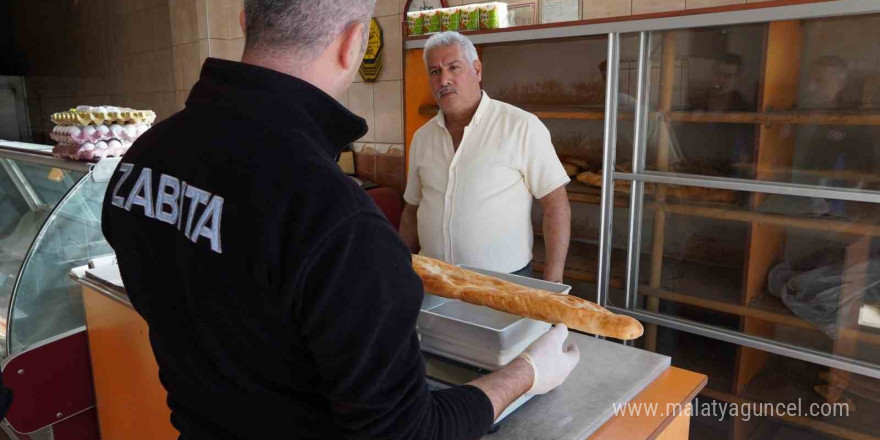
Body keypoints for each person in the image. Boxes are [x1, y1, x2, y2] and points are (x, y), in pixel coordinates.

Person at [101, 1, 579, 439]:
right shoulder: (336, 220)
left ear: (246, 22)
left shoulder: (144, 158)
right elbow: (405, 432)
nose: (444, 78)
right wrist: (528, 373)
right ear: (354, 44)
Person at [400, 32, 571, 282]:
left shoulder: (521, 126)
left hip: (505, 284)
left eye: (453, 67)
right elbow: (411, 211)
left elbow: (556, 205)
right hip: (433, 280)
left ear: (477, 70)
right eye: (435, 72)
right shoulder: (422, 138)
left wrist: (553, 285)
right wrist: (398, 268)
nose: (444, 79)